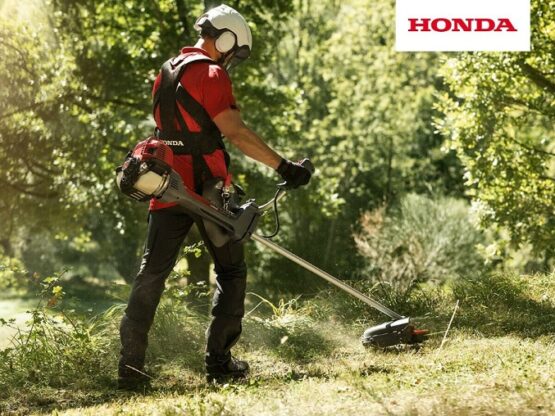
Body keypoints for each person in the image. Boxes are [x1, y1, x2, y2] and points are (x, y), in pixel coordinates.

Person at [118, 4, 312, 389]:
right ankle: (219, 364)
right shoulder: (211, 73)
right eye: (233, 51)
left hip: (165, 185)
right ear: (224, 39)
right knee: (231, 271)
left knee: (151, 274)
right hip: (208, 192)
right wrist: (285, 167)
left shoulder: (166, 71)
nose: (230, 59)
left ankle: (131, 368)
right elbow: (235, 133)